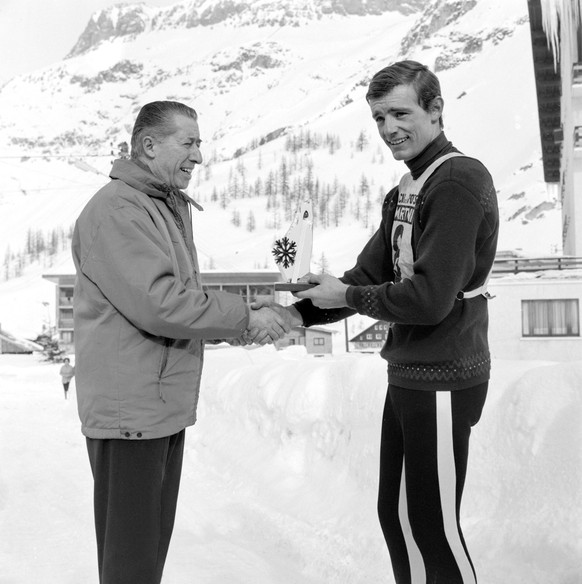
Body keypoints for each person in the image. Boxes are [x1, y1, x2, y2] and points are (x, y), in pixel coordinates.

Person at [255, 61, 499, 583]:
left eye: (401, 113)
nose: (389, 128)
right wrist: (292, 314)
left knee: (432, 524)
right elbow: (364, 278)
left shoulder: (456, 181)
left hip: (444, 373)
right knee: (399, 516)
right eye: (379, 117)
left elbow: (430, 299)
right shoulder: (408, 187)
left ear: (435, 111)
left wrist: (347, 293)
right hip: (412, 372)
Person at [72, 100, 290, 584]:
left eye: (200, 143)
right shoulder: (118, 211)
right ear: (149, 145)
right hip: (130, 412)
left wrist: (235, 326)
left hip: (156, 406)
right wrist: (246, 317)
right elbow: (161, 303)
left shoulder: (160, 205)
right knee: (130, 561)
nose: (198, 155)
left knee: (146, 554)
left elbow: (180, 301)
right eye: (188, 142)